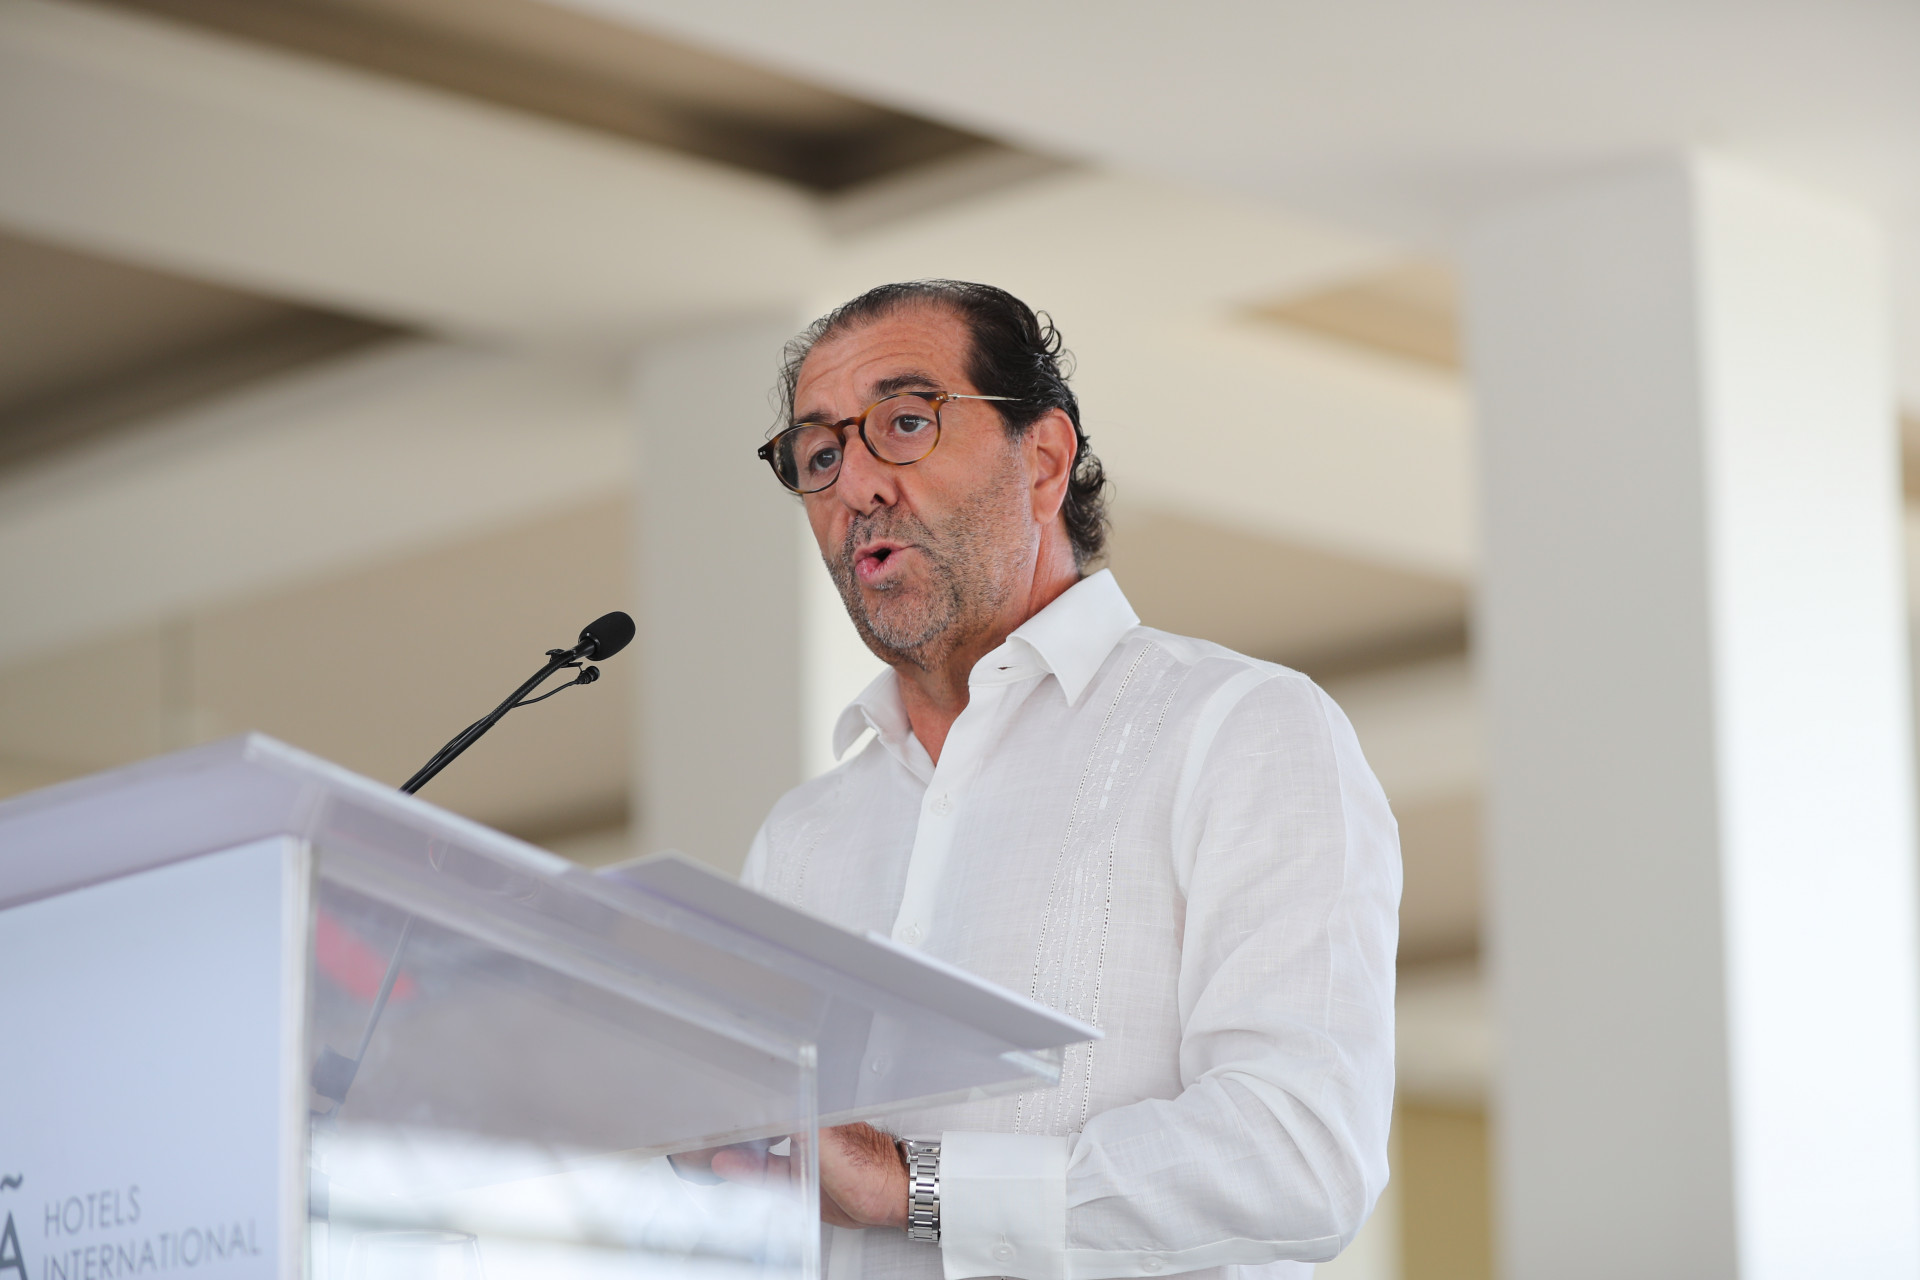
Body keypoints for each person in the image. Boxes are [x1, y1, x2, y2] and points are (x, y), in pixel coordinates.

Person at [720, 280, 1399, 1279]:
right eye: (819, 454)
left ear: (1042, 458)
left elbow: (1301, 1153)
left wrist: (915, 1183)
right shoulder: (803, 835)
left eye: (904, 423)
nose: (855, 485)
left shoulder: (1235, 727)